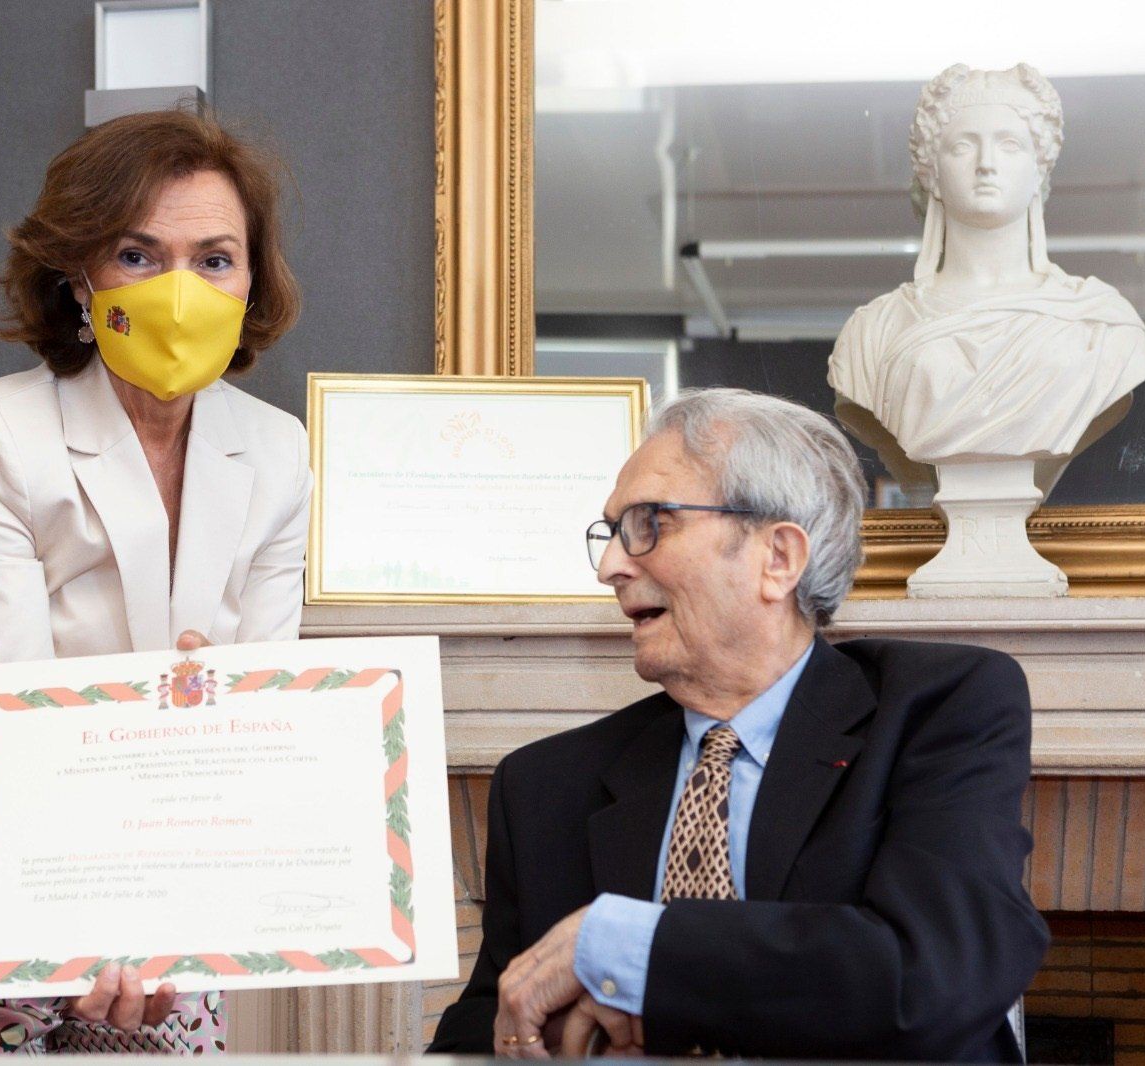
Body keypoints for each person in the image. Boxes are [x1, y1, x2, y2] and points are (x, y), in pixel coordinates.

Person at [0, 109, 309, 1054]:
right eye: (138, 254)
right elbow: (8, 703)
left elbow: (259, 717)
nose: (180, 289)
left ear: (252, 279)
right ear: (80, 275)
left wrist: (229, 719)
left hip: (164, 911)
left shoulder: (277, 453)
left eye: (214, 259)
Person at [428, 388, 1049, 1061]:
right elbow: (483, 1023)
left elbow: (932, 975)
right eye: (610, 533)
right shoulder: (545, 784)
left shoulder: (937, 710)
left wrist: (618, 948)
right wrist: (554, 1038)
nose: (611, 566)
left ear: (777, 557)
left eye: (649, 524)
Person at [828, 63, 1145, 498]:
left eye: (1009, 144)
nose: (986, 165)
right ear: (932, 172)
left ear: (1040, 169)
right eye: (963, 145)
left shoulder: (1103, 328)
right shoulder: (872, 334)